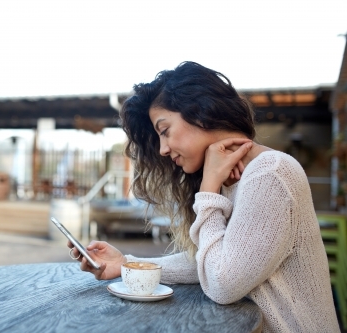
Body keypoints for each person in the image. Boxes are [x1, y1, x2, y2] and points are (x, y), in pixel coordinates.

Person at [68, 61, 340, 332]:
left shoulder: (269, 173)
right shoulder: (239, 179)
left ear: (201, 112)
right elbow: (215, 261)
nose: (163, 149)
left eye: (165, 131)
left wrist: (208, 189)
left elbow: (222, 283)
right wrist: (127, 265)